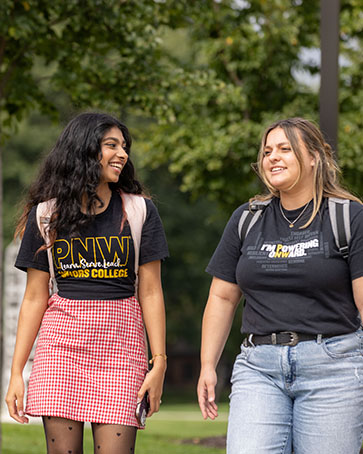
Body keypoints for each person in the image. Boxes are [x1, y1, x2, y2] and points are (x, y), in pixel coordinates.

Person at [197, 117, 363, 454]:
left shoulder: (349, 217)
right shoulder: (247, 218)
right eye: (267, 151)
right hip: (259, 368)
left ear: (315, 156)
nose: (273, 157)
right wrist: (207, 366)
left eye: (285, 149)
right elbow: (222, 297)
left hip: (334, 368)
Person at [6, 112, 169, 454]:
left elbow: (151, 291)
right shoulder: (46, 215)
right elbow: (35, 298)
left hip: (121, 349)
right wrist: (17, 372)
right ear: (83, 150)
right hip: (61, 348)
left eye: (124, 146)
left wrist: (159, 362)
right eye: (111, 145)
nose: (123, 154)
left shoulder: (139, 212)